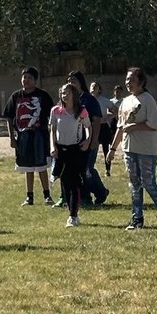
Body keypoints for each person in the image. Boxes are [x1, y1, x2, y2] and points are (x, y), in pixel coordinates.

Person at [106, 67, 157, 230]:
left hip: (146, 150)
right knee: (134, 183)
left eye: (132, 80)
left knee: (148, 182)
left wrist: (135, 126)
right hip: (129, 149)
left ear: (141, 82)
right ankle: (137, 218)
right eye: (127, 79)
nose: (128, 83)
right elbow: (120, 128)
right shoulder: (125, 101)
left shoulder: (148, 99)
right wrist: (113, 149)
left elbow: (154, 125)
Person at [3, 67, 54, 207]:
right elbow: (9, 117)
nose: (26, 80)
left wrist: (52, 137)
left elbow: (53, 117)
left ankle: (47, 195)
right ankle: (29, 197)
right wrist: (12, 138)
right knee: (27, 167)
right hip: (23, 137)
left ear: (35, 80)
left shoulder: (43, 96)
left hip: (40, 136)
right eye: (24, 77)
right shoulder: (16, 96)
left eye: (29, 78)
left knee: (41, 166)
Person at [49, 83, 91, 227]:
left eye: (67, 93)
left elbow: (88, 127)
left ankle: (73, 215)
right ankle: (71, 209)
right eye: (62, 93)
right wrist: (53, 146)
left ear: (74, 94)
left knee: (74, 183)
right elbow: (52, 130)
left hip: (75, 150)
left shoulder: (81, 111)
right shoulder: (55, 111)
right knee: (65, 183)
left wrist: (87, 141)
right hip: (61, 150)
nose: (64, 95)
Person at [67, 70, 109, 208]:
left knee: (87, 170)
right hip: (74, 142)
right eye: (69, 80)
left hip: (89, 140)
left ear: (80, 82)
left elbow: (96, 121)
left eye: (73, 80)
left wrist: (94, 140)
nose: (70, 83)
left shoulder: (89, 100)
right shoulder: (68, 99)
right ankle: (85, 198)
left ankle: (101, 192)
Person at [90, 81, 113, 171]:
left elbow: (115, 110)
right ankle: (90, 168)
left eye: (96, 86)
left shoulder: (103, 100)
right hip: (91, 127)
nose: (94, 88)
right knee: (92, 149)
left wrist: (107, 117)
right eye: (92, 86)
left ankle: (108, 170)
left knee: (105, 149)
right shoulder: (87, 100)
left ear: (99, 89)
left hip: (103, 127)